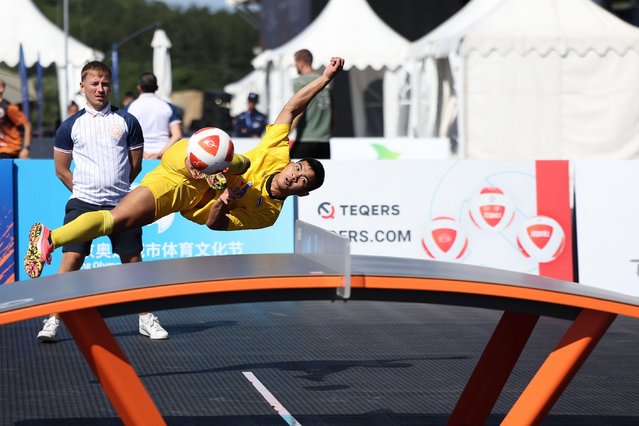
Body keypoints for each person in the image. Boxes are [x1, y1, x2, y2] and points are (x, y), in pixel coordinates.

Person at [24, 56, 345, 282]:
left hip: (187, 194)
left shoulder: (268, 214)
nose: (295, 174)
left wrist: (224, 201)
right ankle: (216, 166)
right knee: (241, 162)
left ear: (302, 190)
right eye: (299, 167)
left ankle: (51, 238)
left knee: (116, 221)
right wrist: (324, 79)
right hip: (188, 160)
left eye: (302, 179)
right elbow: (293, 107)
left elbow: (216, 226)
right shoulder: (276, 154)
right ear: (292, 162)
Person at [34, 61, 169, 343]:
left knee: (133, 262)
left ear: (111, 87)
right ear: (82, 87)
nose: (100, 89)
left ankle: (146, 318)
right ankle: (53, 319)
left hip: (122, 204)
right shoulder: (69, 126)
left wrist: (116, 190)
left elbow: (135, 166)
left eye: (105, 83)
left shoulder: (127, 121)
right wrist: (83, 190)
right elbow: (61, 170)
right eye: (94, 83)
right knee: (71, 261)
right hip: (83, 203)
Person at [127, 73, 182, 159]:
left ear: (139, 87)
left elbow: (126, 135)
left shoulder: (130, 108)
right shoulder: (169, 107)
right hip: (164, 156)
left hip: (138, 156)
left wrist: (143, 153)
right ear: (157, 87)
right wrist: (159, 154)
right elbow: (177, 135)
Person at [290, 49, 333, 159]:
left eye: (295, 63)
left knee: (294, 171)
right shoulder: (327, 81)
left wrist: (286, 132)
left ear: (300, 63)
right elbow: (333, 111)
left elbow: (299, 110)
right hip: (324, 140)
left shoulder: (300, 82)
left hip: (306, 139)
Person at [0, 79, 32, 159]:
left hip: (8, 148)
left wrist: (26, 148)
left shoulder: (10, 108)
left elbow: (27, 125)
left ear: (1, 88)